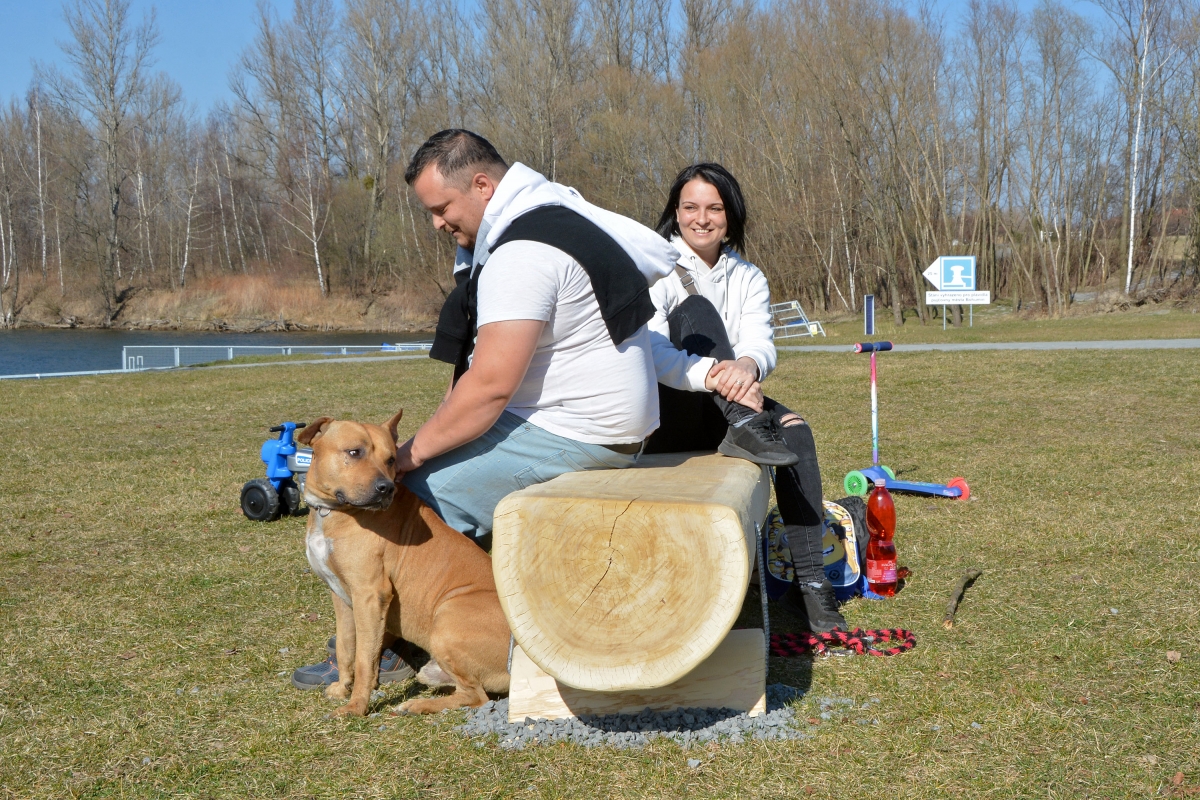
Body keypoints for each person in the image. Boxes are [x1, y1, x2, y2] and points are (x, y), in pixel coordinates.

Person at [292, 129, 678, 690]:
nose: (438, 224)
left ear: (482, 185)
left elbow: (491, 387)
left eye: (442, 208)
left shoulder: (522, 253)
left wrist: (408, 455)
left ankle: (393, 646)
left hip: (577, 433)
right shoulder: (557, 218)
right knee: (421, 469)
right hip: (593, 424)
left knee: (410, 497)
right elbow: (483, 380)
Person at [644, 162, 847, 633]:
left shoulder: (749, 276)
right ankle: (745, 421)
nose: (702, 218)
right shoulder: (655, 268)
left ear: (730, 216)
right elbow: (653, 352)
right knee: (696, 309)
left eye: (714, 208)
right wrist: (718, 374)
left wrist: (749, 367)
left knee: (797, 430)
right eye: (690, 207)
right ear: (675, 213)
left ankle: (812, 587)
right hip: (671, 407)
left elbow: (761, 341)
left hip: (734, 407)